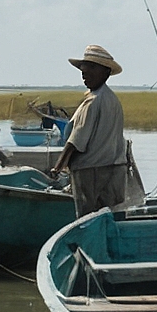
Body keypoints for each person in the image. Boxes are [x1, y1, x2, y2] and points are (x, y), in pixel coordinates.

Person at [51, 45, 128, 215]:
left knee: (88, 221)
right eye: (83, 71)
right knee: (111, 218)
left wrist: (57, 167)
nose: (85, 73)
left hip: (91, 173)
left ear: (106, 73)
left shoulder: (93, 101)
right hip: (116, 170)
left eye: (92, 68)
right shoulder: (112, 99)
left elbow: (76, 141)